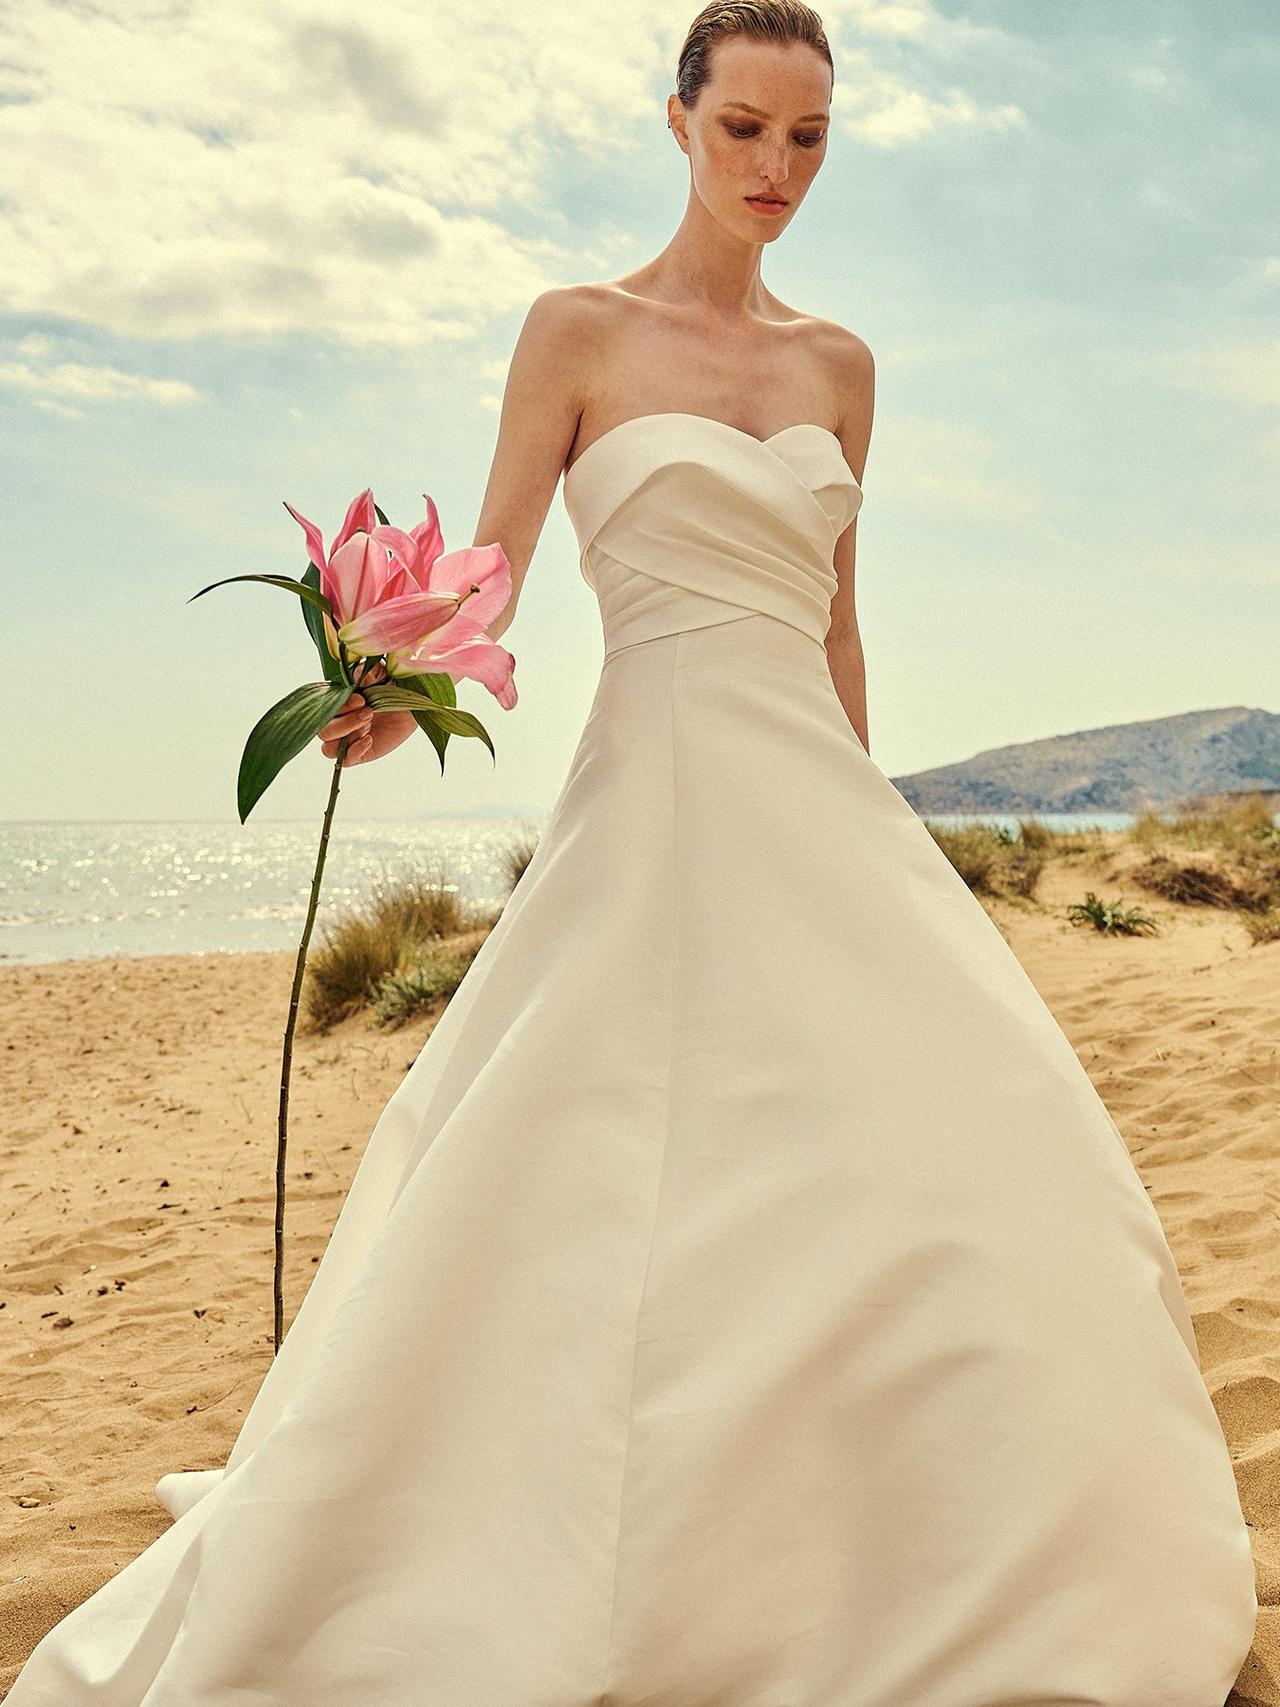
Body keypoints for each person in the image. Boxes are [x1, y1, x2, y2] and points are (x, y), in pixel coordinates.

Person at [7, 3, 1258, 1703]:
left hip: (812, 803)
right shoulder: (574, 331)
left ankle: (926, 1546)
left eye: (810, 138)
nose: (777, 170)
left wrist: (868, 835)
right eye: (746, 129)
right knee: (584, 1161)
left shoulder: (840, 370)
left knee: (932, 1157)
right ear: (678, 120)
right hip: (653, 788)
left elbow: (838, 626)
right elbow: (497, 564)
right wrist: (387, 685)